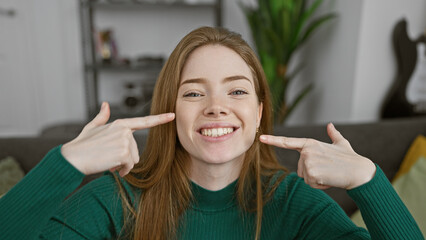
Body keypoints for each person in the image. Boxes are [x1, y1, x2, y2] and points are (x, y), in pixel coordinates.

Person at [0, 27, 423, 240]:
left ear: (258, 112)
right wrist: (66, 163)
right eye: (194, 92)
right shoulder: (117, 200)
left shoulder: (294, 205)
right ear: (171, 111)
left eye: (236, 90)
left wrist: (370, 181)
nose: (216, 106)